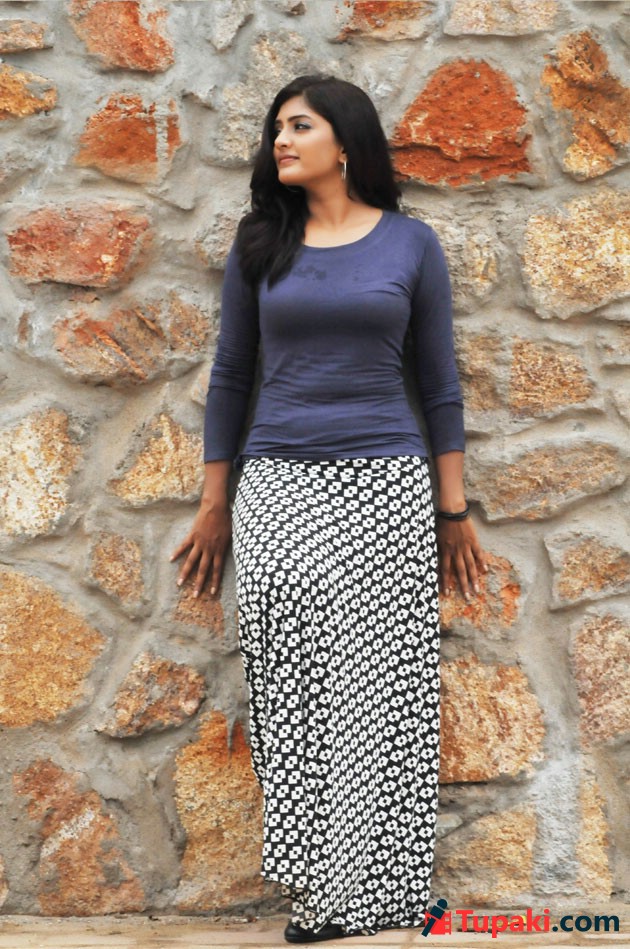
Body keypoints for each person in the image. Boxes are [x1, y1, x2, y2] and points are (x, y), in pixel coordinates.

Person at [171, 74, 486, 943]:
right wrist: (215, 503)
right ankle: (319, 877)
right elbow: (232, 375)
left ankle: (368, 892)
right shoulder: (260, 242)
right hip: (278, 482)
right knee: (288, 680)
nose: (281, 139)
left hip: (385, 485)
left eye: (299, 125)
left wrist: (452, 509)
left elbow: (440, 385)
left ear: (345, 143)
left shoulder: (410, 245)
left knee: (376, 686)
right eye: (277, 127)